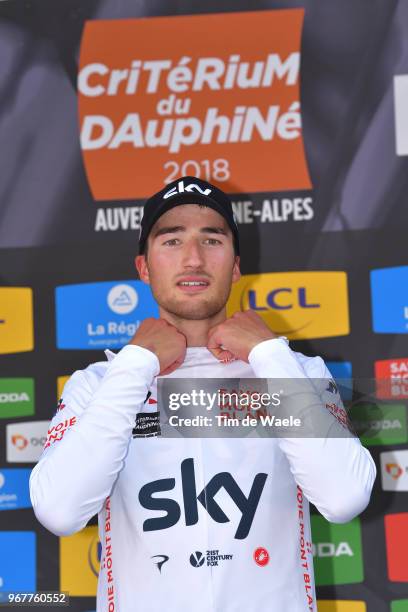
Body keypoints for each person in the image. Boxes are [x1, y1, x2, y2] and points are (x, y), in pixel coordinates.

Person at [30, 176, 376, 612]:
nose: (193, 259)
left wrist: (268, 353)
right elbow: (59, 512)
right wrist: (136, 364)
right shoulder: (100, 383)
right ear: (144, 267)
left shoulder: (296, 371)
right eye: (172, 241)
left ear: (234, 266)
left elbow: (344, 498)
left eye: (211, 240)